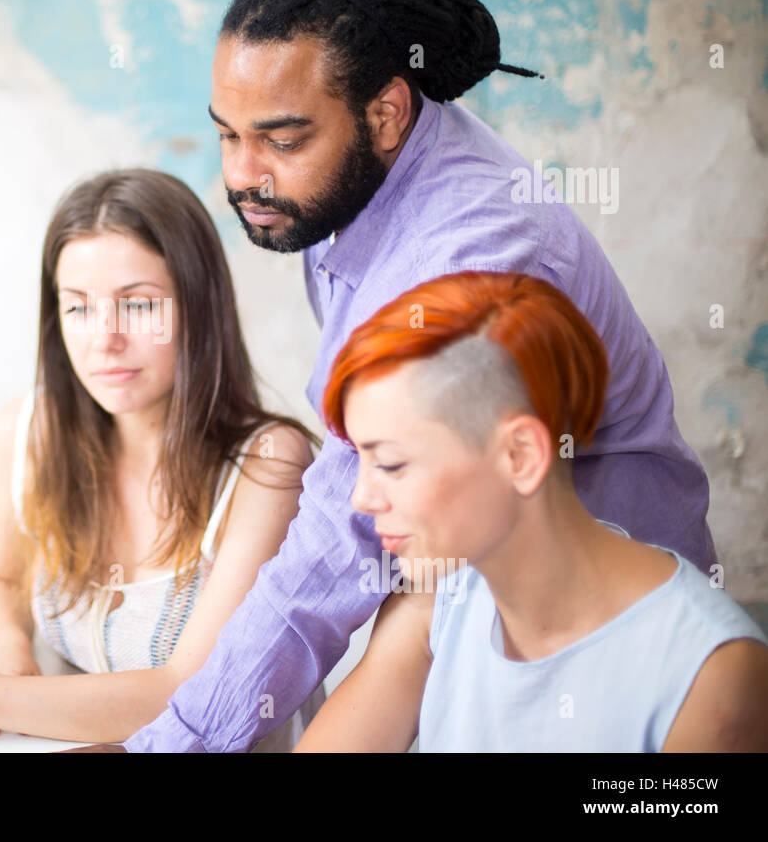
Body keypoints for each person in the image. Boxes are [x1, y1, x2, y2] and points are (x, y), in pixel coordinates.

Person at [125, 0, 718, 752]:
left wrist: (175, 737)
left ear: (388, 112)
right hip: (466, 563)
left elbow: (345, 531)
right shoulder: (348, 181)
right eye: (227, 135)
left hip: (600, 626)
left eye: (281, 141)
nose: (243, 176)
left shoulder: (461, 254)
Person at [0, 168, 326, 750]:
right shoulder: (28, 431)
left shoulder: (268, 464)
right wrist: (5, 645)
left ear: (199, 307)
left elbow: (183, 693)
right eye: (78, 308)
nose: (104, 340)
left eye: (139, 305)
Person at [294, 271, 768, 752]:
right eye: (361, 459)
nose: (362, 498)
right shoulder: (440, 599)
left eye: (392, 464)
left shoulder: (712, 677)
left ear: (521, 455)